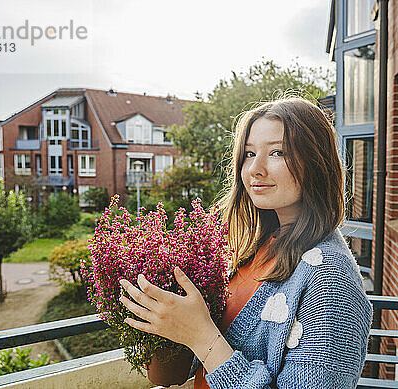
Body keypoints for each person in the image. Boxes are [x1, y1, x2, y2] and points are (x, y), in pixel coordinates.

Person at [119, 97, 373, 388]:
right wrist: (164, 315)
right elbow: (170, 375)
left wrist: (201, 335)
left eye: (277, 152)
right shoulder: (252, 248)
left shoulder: (330, 279)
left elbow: (207, 344)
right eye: (249, 153)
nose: (255, 169)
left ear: (316, 163)